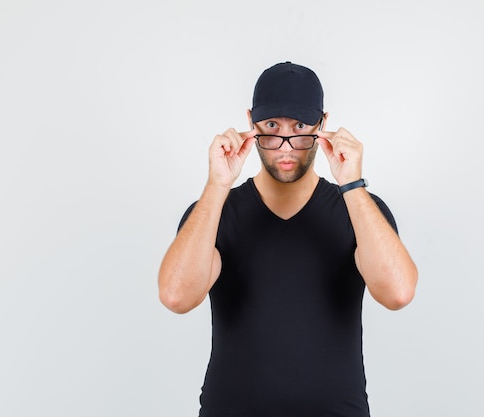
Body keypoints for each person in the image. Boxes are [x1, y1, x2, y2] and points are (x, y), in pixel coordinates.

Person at [158, 61, 418, 416]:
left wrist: (352, 184)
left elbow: (398, 293)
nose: (285, 145)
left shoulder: (358, 210)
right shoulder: (215, 211)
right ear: (251, 123)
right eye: (271, 126)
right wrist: (217, 185)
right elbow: (176, 297)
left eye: (299, 127)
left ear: (321, 125)